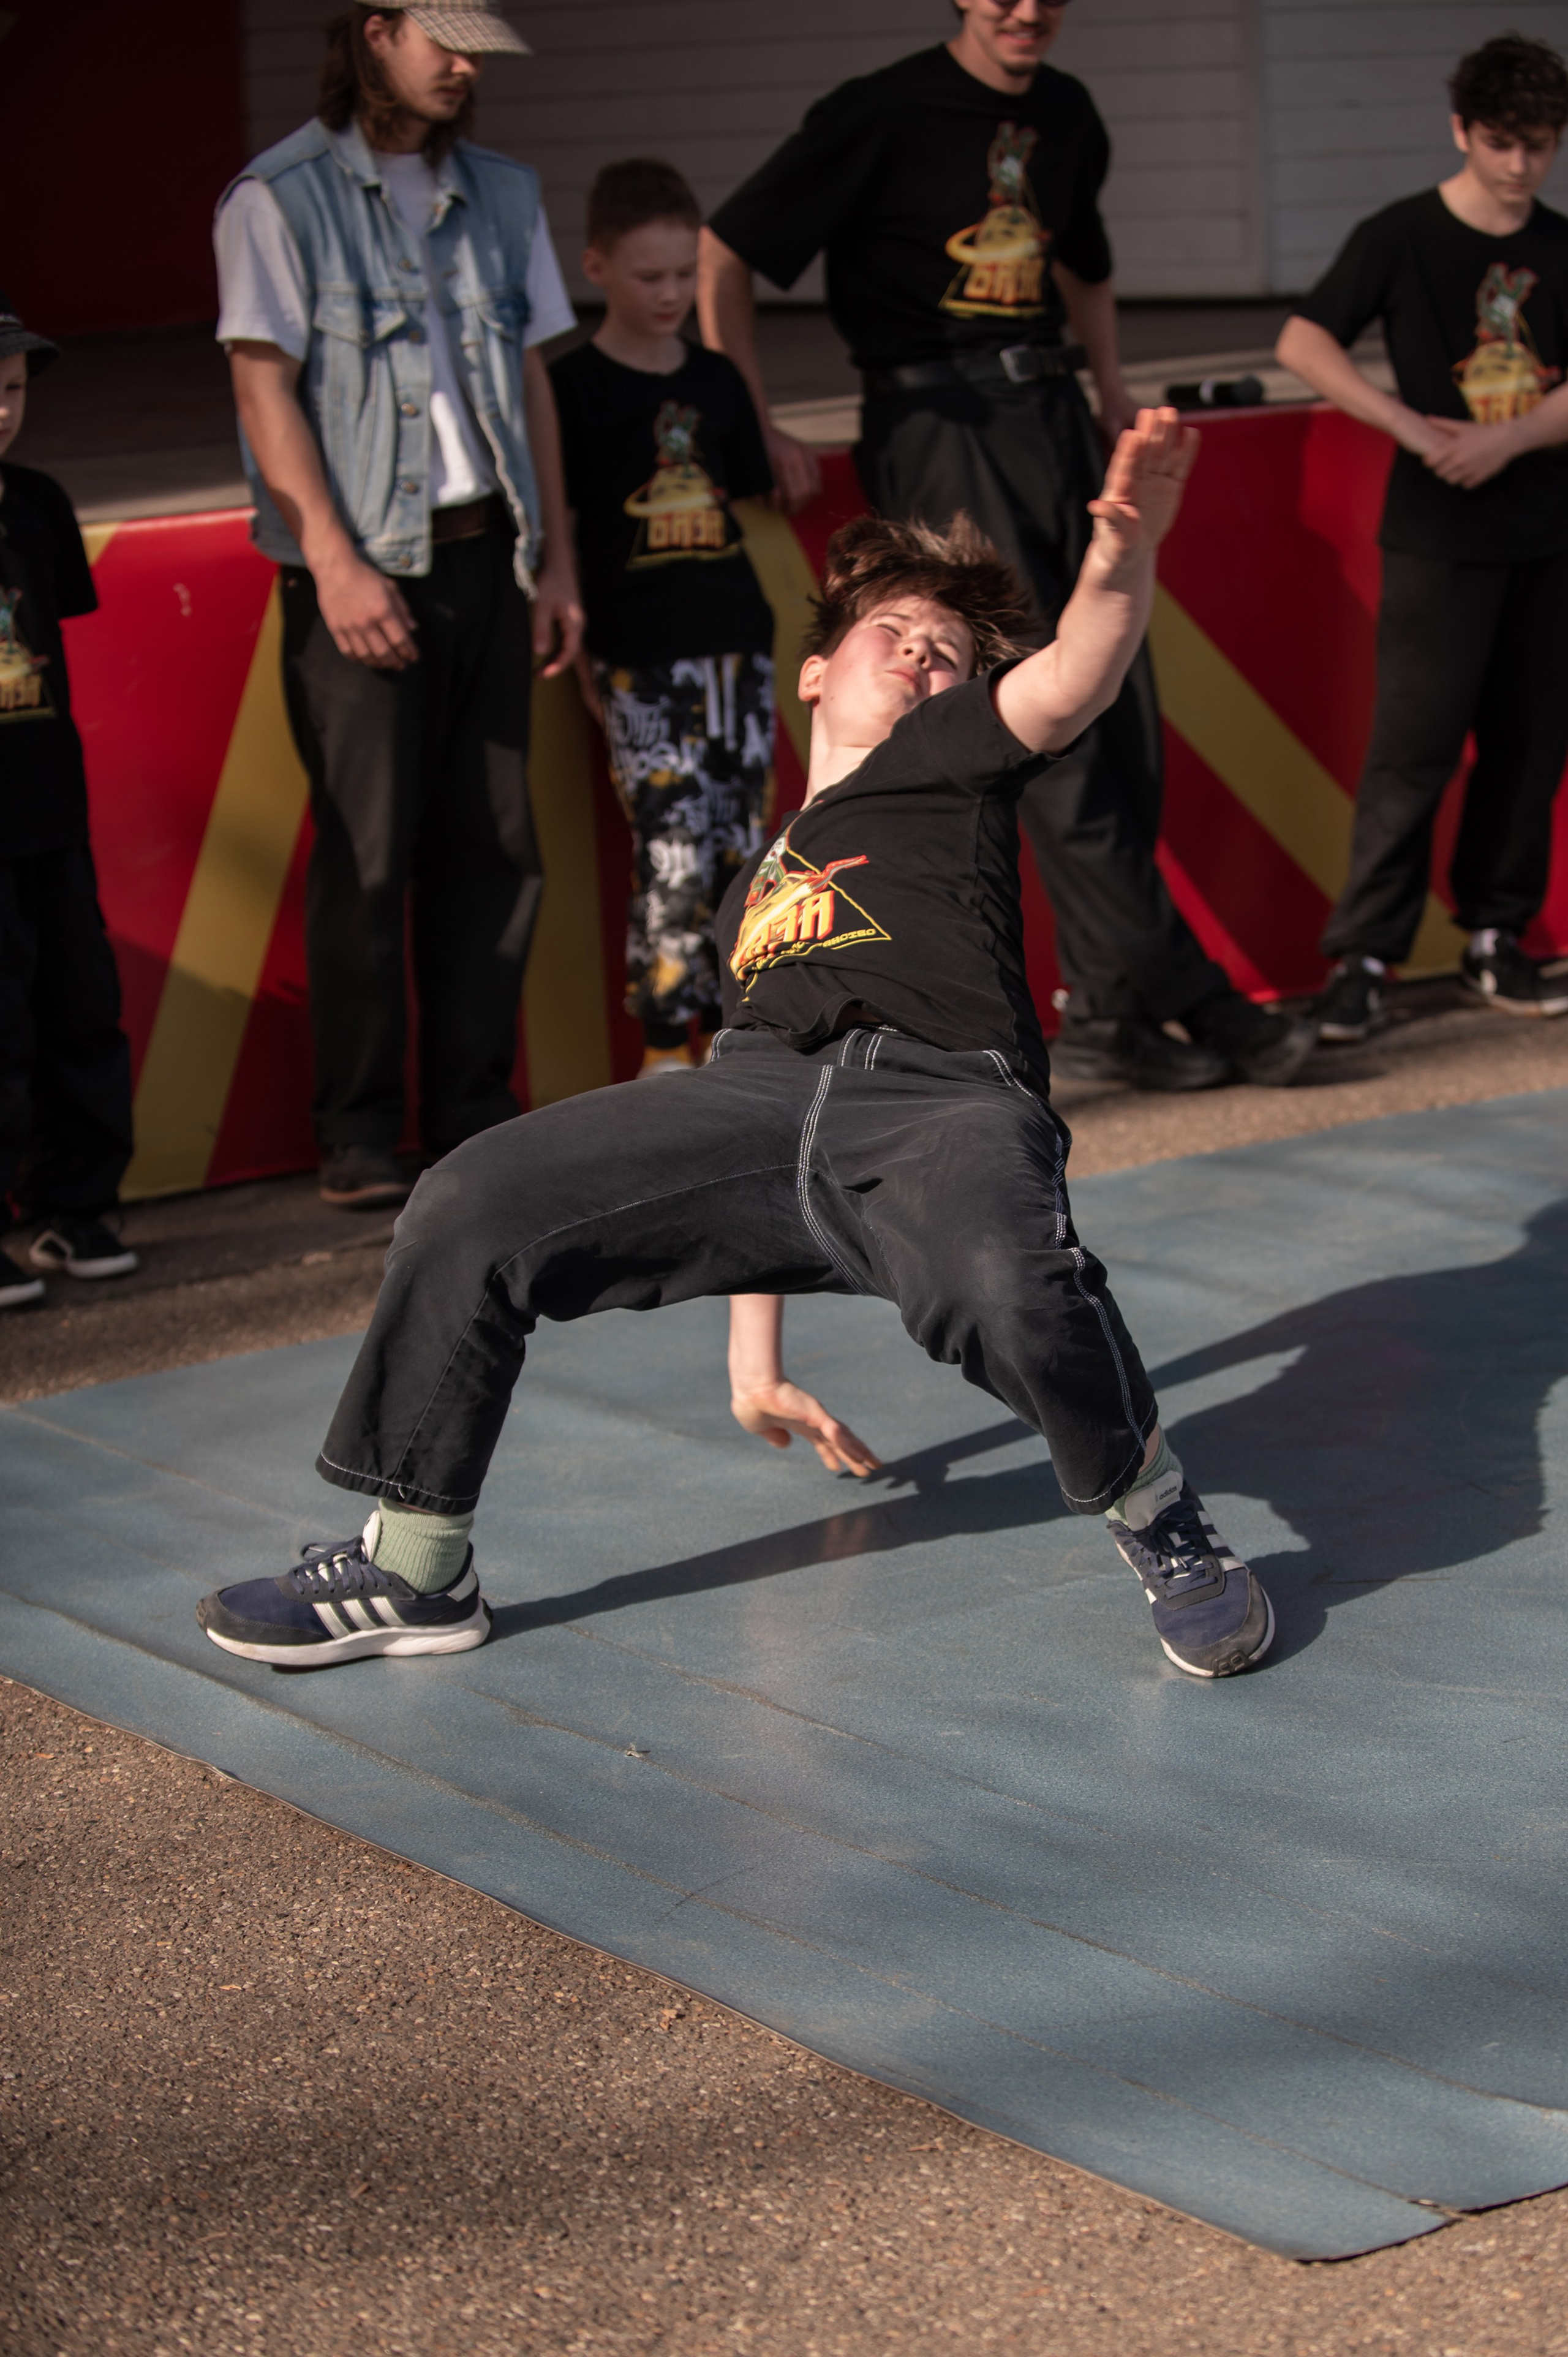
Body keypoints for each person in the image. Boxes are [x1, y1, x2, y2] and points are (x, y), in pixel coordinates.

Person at [196, 409, 1276, 1687]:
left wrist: (1121, 556)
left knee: (1007, 1284)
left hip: (936, 1101)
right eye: (900, 636)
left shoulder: (947, 762)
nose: (928, 661)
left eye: (951, 653)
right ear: (815, 670)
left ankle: (1152, 1510)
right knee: (468, 1199)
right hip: (763, 1110)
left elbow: (1077, 670)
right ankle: (418, 1565)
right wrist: (753, 1366)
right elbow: (734, 1138)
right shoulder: (746, 892)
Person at [697, 0, 1316, 1096]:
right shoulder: (878, 110)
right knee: (1042, 731)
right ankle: (1191, 995)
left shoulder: (1069, 112)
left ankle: (1113, 1012)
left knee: (1115, 706)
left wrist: (1113, 384)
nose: (1026, 9)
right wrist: (746, 415)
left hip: (1054, 416)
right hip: (942, 429)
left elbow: (1085, 261)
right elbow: (725, 249)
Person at [214, 0, 584, 1209]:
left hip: (491, 558)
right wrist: (333, 558)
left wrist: (556, 562)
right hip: (360, 563)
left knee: (494, 849)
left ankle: (475, 1113)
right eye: (446, 38)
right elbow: (264, 389)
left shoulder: (506, 193)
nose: (468, 64)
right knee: (366, 860)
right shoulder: (273, 199)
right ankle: (360, 1132)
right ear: (373, 32)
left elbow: (529, 376)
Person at [1279, 34, 1568, 1043]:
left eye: (1540, 144)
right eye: (1502, 142)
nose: (1521, 164)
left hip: (1547, 535)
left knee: (1530, 751)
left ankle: (1497, 939)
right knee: (1412, 751)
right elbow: (1303, 339)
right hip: (1438, 539)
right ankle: (1363, 958)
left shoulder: (1564, 245)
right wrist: (1411, 426)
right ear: (1461, 130)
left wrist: (1512, 440)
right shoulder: (1401, 235)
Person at [550, 159, 777, 1076]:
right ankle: (659, 1049)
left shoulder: (717, 380)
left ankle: (738, 1039)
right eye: (650, 278)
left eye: (685, 275)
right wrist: (581, 657)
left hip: (737, 648)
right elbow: (562, 528)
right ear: (596, 266)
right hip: (640, 658)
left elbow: (748, 483)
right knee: (674, 848)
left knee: (742, 850)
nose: (673, 294)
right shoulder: (570, 389)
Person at [0, 295, 138, 1312]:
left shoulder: (38, 504)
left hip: (51, 808)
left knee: (80, 1008)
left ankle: (74, 1206)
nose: (1, 410)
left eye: (9, 391)